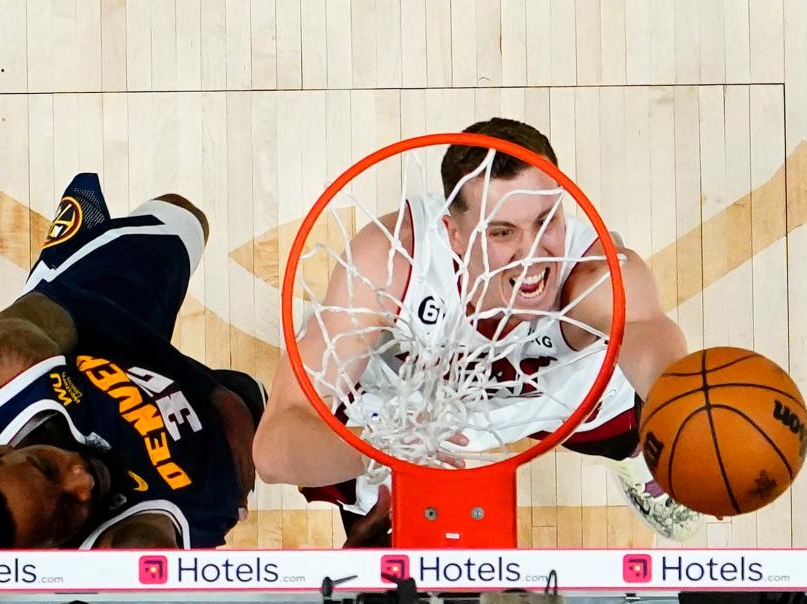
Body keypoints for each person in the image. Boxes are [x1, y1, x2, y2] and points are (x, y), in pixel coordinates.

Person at [253, 117, 703, 544]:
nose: (533, 255)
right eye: (503, 232)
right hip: (413, 421)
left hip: (554, 393)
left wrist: (694, 419)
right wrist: (375, 450)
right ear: (452, 233)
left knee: (628, 410)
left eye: (546, 222)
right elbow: (274, 450)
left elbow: (653, 341)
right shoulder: (390, 263)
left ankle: (629, 453)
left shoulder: (594, 274)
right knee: (390, 573)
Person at [0, 174, 265, 549]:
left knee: (182, 214)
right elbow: (145, 554)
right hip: (207, 437)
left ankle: (69, 253)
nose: (82, 480)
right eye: (64, 514)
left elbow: (83, 308)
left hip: (104, 334)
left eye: (46, 467)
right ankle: (77, 253)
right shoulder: (116, 549)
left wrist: (214, 393)